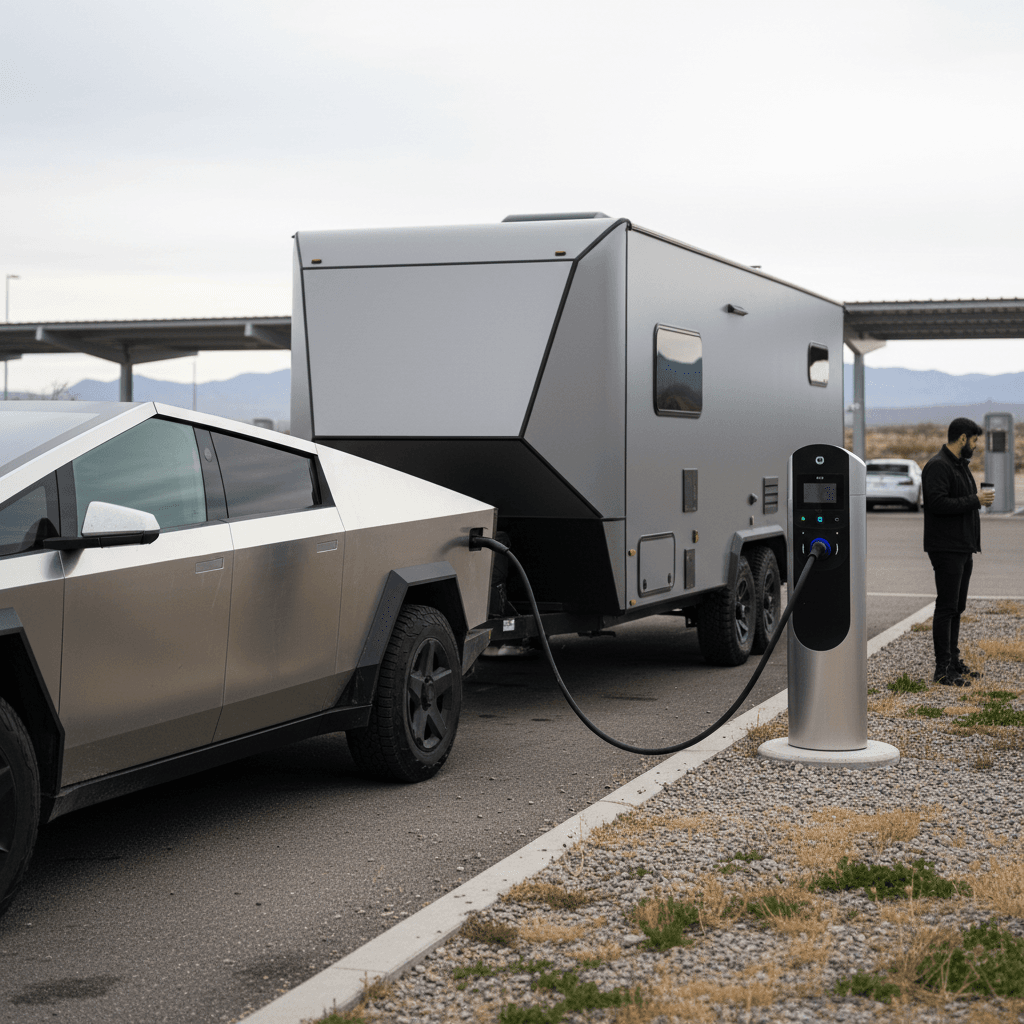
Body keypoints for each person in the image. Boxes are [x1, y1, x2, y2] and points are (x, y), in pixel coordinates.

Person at [921, 417, 994, 686]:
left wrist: (974, 501)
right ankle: (942, 670)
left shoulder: (959, 466)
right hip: (946, 547)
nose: (975, 446)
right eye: (974, 440)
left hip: (963, 547)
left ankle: (953, 661)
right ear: (962, 438)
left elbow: (957, 502)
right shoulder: (938, 466)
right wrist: (975, 500)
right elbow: (937, 503)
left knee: (957, 607)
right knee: (947, 607)